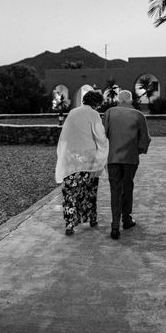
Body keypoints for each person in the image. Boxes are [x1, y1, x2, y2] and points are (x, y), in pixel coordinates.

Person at [55, 90, 109, 236]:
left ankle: (69, 224)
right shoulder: (94, 114)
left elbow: (65, 135)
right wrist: (104, 148)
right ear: (97, 103)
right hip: (88, 160)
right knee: (89, 191)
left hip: (71, 159)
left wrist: (64, 153)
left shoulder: (73, 112)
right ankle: (91, 219)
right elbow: (100, 136)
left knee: (70, 193)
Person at [103, 90, 151, 240]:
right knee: (127, 186)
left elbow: (103, 134)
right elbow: (145, 138)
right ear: (130, 100)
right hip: (130, 158)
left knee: (115, 190)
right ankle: (127, 219)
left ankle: (115, 225)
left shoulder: (110, 113)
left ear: (118, 99)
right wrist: (139, 150)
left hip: (113, 159)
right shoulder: (138, 115)